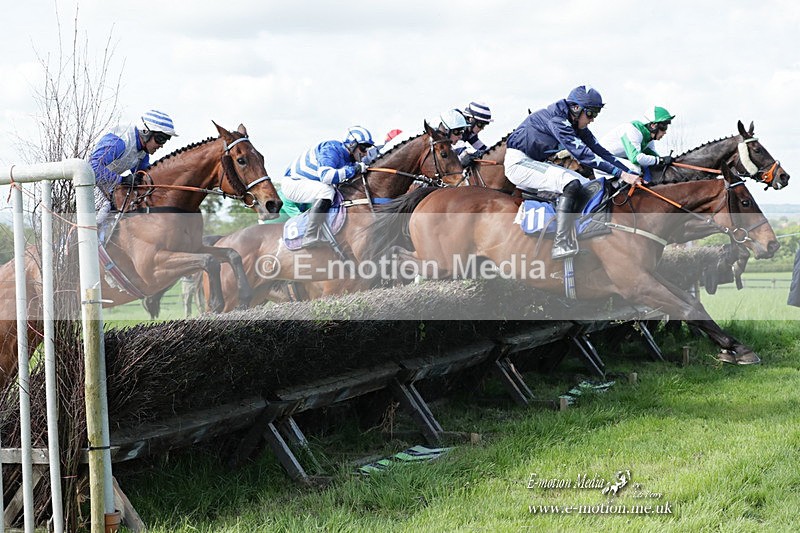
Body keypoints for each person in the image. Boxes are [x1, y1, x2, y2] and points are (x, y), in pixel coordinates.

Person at [505, 85, 641, 259]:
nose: (593, 119)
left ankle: (582, 236)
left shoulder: (574, 123)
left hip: (534, 162)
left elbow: (601, 152)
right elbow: (584, 155)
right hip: (519, 163)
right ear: (576, 108)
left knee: (588, 186)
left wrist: (629, 173)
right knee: (570, 182)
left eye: (596, 114)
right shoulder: (557, 121)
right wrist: (621, 174)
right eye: (591, 114)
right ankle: (560, 243)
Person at [88, 109, 177, 240]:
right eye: (160, 139)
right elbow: (92, 167)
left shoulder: (143, 151)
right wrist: (121, 180)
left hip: (106, 184)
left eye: (165, 140)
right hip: (87, 181)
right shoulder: (119, 142)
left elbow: (144, 175)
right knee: (105, 206)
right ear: (146, 132)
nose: (161, 146)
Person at [282, 126, 376, 247]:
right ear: (352, 145)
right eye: (363, 148)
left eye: (367, 148)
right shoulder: (331, 149)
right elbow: (326, 177)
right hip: (293, 183)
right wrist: (354, 169)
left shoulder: (349, 158)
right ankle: (310, 234)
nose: (365, 153)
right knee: (326, 191)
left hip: (309, 182)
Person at [600, 106, 676, 173]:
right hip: (601, 160)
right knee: (635, 168)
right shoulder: (632, 130)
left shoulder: (648, 138)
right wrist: (661, 160)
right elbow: (635, 158)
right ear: (653, 126)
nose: (665, 132)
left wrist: (665, 160)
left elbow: (655, 157)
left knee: (647, 167)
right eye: (664, 127)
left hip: (615, 159)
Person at [455, 101, 493, 165]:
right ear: (471, 120)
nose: (482, 128)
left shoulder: (469, 132)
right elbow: (461, 151)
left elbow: (483, 148)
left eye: (484, 126)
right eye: (480, 125)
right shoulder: (457, 128)